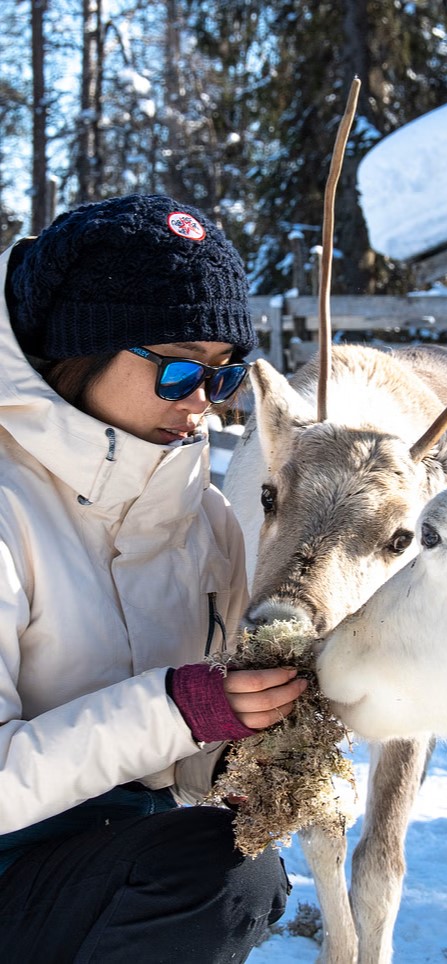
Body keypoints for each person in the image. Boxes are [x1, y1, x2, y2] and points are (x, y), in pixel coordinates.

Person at [0, 194, 306, 962]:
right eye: (176, 369)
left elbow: (189, 768)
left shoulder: (205, 522)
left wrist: (252, 743)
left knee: (240, 869)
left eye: (223, 375)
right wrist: (178, 707)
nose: (202, 401)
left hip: (104, 859)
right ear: (82, 351)